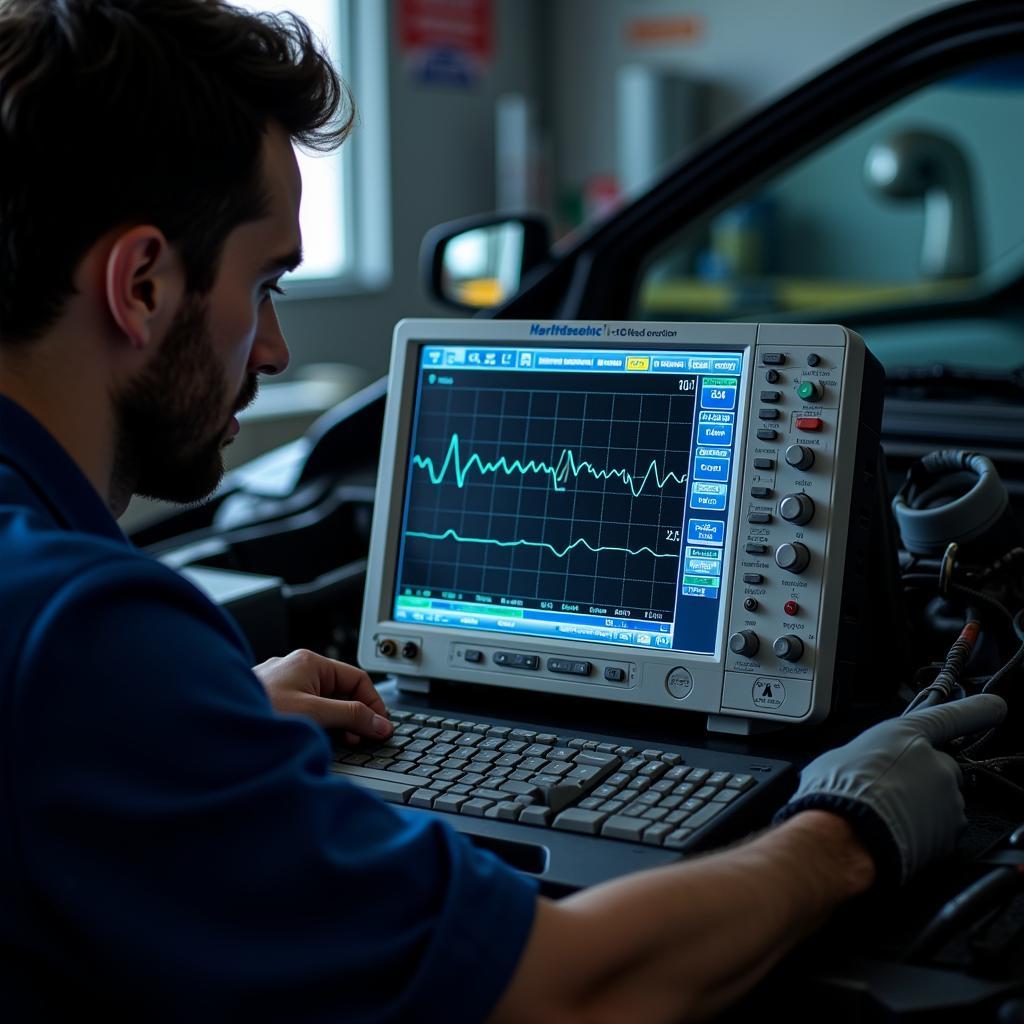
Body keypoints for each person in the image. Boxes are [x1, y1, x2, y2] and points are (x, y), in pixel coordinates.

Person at [0, 2, 1006, 1021]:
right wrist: (848, 830)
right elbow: (570, 988)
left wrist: (198, 732)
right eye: (265, 284)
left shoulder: (63, 631)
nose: (273, 351)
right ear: (140, 284)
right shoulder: (82, 642)